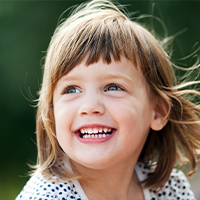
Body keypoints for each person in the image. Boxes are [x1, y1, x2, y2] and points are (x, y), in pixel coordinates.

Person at [16, 0, 200, 199]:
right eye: (71, 89)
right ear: (51, 114)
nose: (89, 107)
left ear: (158, 112)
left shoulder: (170, 189)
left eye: (113, 87)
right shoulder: (45, 197)